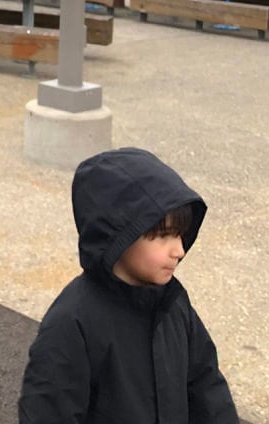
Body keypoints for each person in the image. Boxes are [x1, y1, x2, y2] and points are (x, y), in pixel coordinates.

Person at [19, 147, 239, 424]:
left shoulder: (173, 303)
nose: (179, 250)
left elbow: (206, 386)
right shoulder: (73, 321)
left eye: (180, 235)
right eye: (163, 236)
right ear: (120, 237)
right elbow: (48, 411)